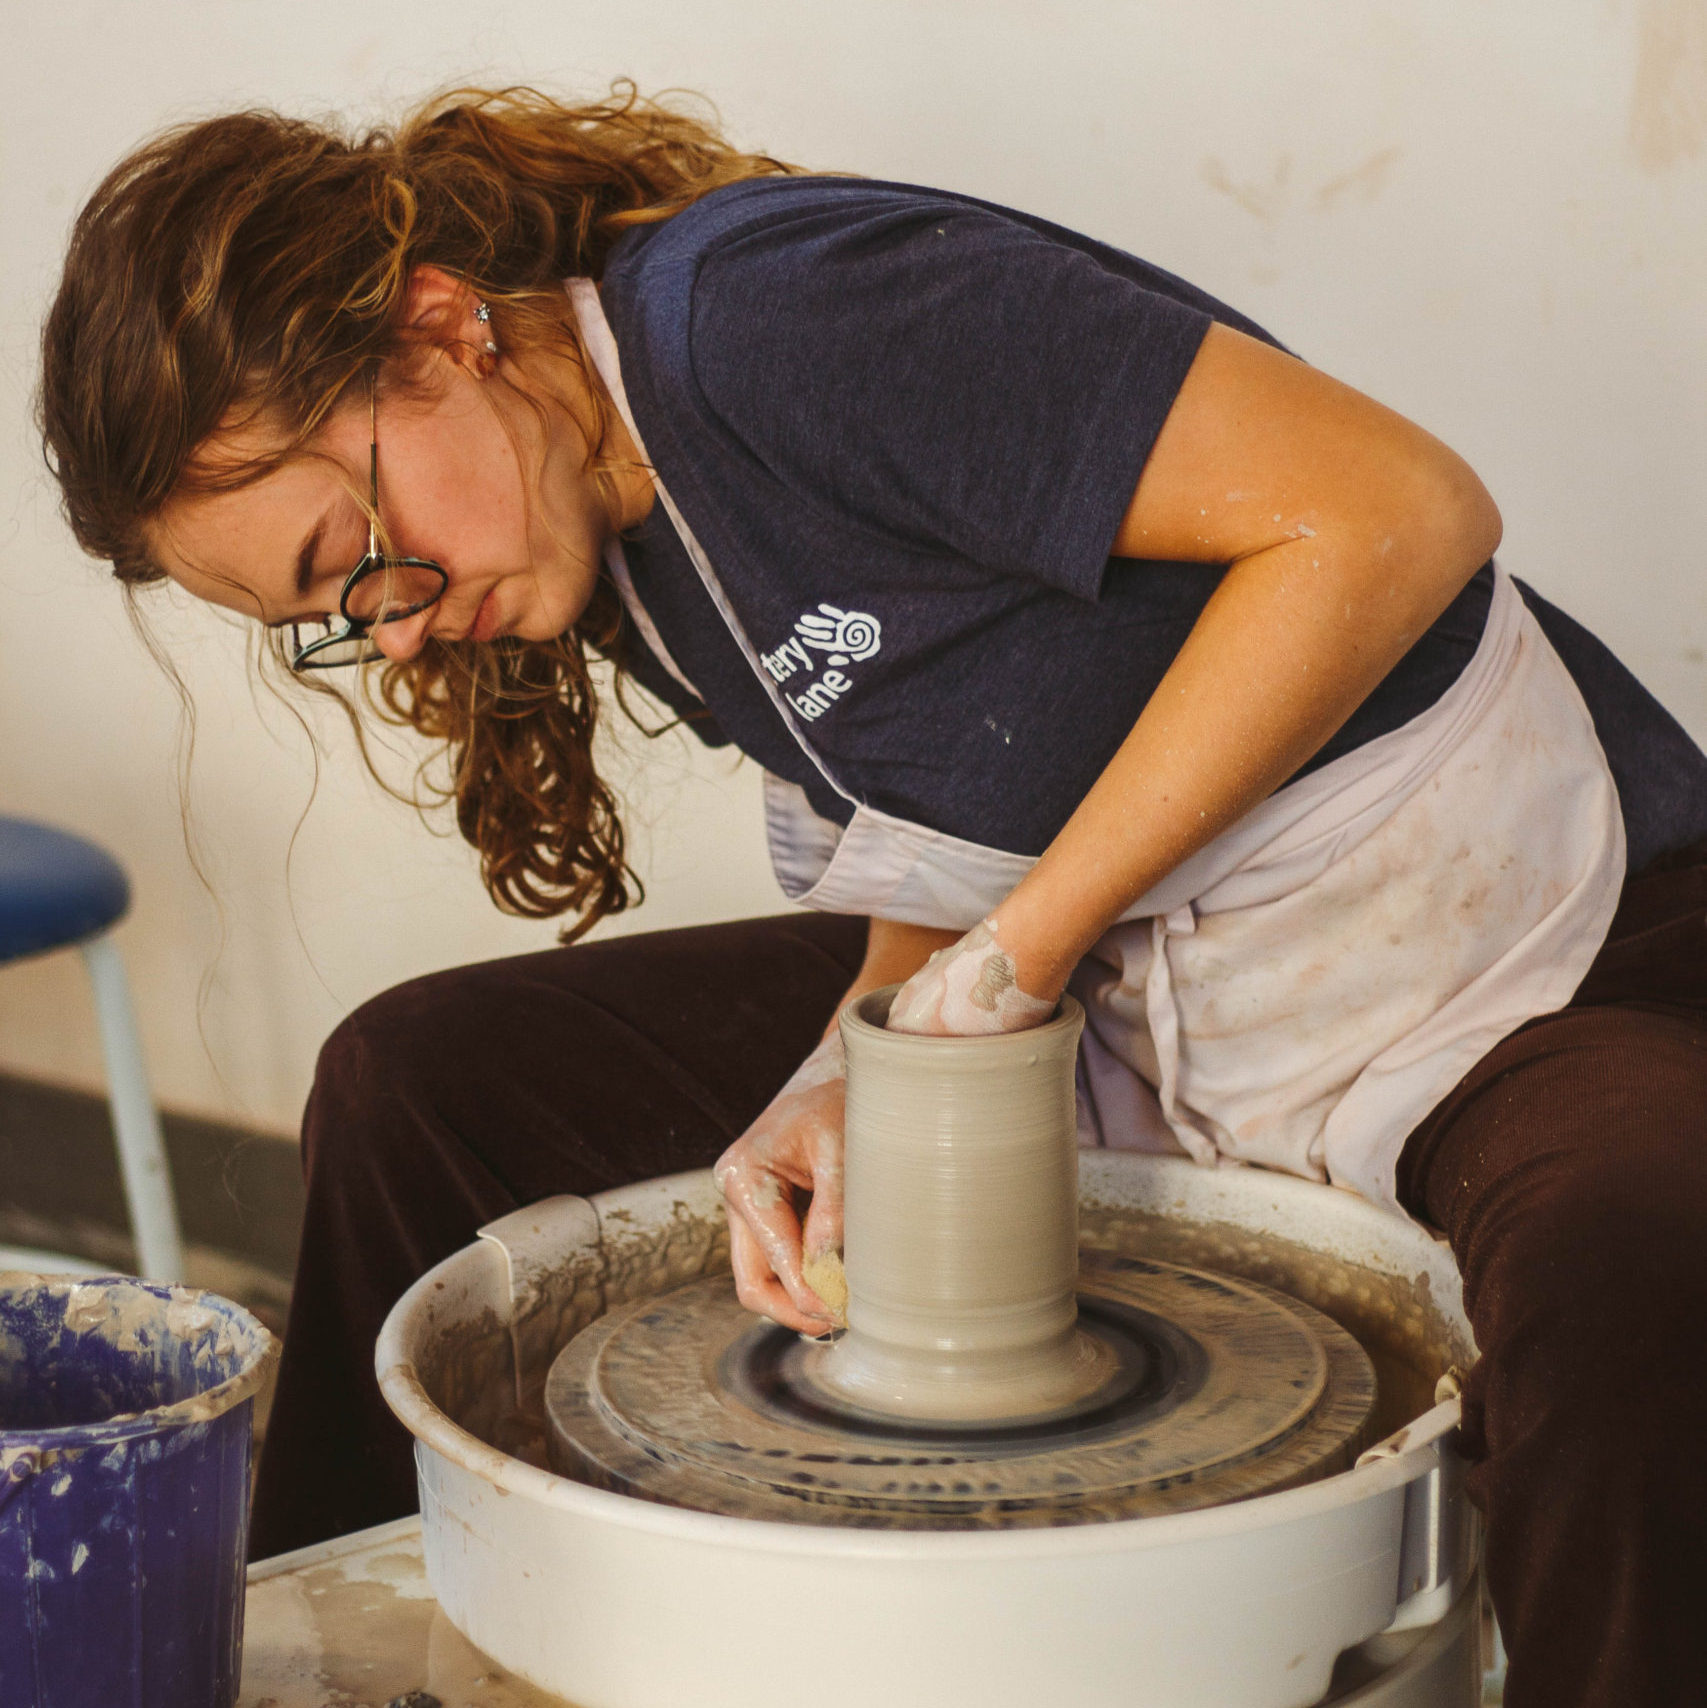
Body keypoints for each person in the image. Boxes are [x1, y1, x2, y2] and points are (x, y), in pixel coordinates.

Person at [38, 82, 1707, 1708]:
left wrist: (1013, 963)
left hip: (1519, 936)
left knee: (1632, 1233)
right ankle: (314, 1661)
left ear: (439, 324)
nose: (392, 629)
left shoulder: (771, 318)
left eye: (352, 553)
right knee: (422, 1084)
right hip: (1139, 969)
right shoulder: (603, 519)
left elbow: (1394, 512)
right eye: (327, 618)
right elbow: (949, 775)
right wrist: (869, 1040)